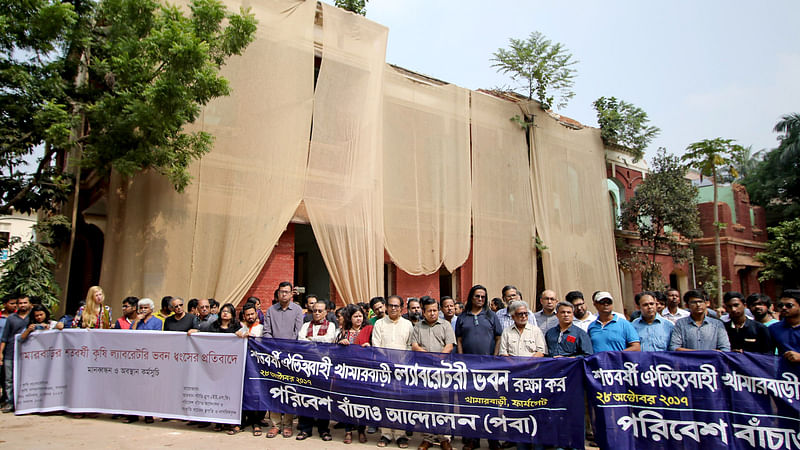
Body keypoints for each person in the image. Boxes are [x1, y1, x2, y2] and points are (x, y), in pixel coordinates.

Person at [455, 285, 503, 450]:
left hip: (488, 368)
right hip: (468, 369)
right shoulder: (462, 317)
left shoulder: (491, 316)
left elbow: (498, 338)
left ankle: (493, 440)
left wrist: (495, 359)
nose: (480, 299)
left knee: (490, 404)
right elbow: (459, 340)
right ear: (471, 297)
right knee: (469, 404)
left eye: (483, 297)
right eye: (477, 296)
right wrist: (462, 360)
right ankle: (472, 440)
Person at [411, 297, 455, 450]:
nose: (432, 313)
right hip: (424, 372)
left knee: (443, 405)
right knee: (426, 405)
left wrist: (438, 359)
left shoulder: (446, 325)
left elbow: (449, 345)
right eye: (429, 311)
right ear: (423, 312)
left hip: (442, 372)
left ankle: (444, 438)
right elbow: (415, 346)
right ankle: (428, 438)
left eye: (435, 310)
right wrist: (429, 356)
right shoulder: (418, 326)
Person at [263, 281, 304, 439]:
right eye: (281, 292)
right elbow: (267, 331)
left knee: (289, 390)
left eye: (287, 292)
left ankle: (287, 424)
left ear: (291, 294)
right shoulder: (271, 311)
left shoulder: (298, 310)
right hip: (273, 356)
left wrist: (287, 350)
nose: (284, 294)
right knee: (274, 390)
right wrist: (274, 349)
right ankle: (275, 424)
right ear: (278, 293)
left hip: (291, 357)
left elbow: (298, 333)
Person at [372, 295, 413, 448]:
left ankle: (400, 435)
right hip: (385, 369)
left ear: (401, 308)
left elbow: (410, 346)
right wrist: (388, 362)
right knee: (385, 401)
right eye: (391, 305)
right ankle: (386, 434)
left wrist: (401, 364)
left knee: (400, 402)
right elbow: (376, 345)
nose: (393, 308)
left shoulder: (408, 324)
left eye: (396, 306)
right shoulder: (380, 324)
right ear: (386, 307)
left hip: (402, 371)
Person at [295, 301, 336, 442]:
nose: (317, 313)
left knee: (323, 399)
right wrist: (316, 341)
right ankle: (305, 429)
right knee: (306, 397)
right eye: (315, 311)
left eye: (320, 311)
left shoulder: (331, 326)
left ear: (326, 312)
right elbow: (300, 341)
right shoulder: (306, 326)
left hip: (323, 368)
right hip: (307, 367)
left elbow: (329, 339)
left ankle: (324, 429)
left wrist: (311, 339)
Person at [0, 295, 31, 413]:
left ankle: (24, 402)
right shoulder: (11, 318)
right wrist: (1, 353)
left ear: (29, 304)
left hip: (27, 353)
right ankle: (10, 402)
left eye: (25, 303)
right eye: (20, 303)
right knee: (8, 379)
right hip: (10, 351)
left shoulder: (32, 318)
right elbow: (5, 337)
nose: (23, 305)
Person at [769, 290, 800, 363]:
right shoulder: (773, 329)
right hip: (785, 372)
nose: (784, 308)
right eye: (780, 305)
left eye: (789, 305)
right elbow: (766, 355)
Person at [0, 295, 17, 407]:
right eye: (11, 303)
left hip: (11, 349)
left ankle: (8, 399)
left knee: (8, 376)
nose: (15, 305)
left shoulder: (18, 317)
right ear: (5, 304)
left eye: (16, 303)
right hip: (2, 347)